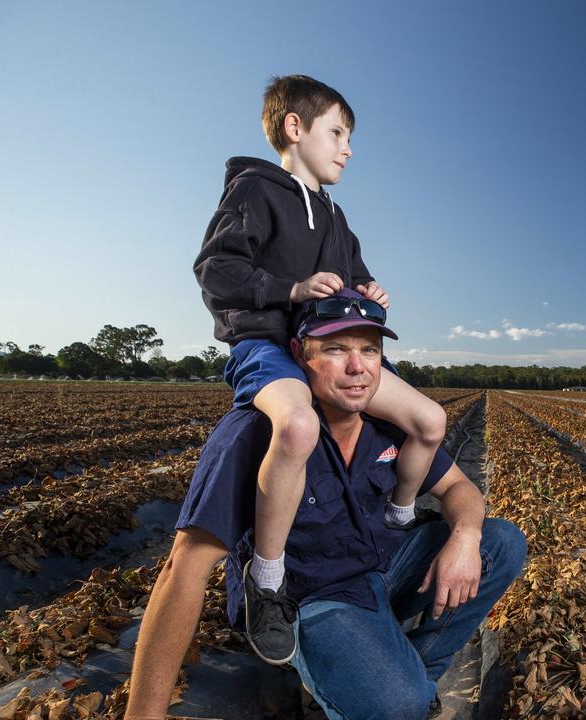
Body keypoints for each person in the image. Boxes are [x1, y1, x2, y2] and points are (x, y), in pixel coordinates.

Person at [125, 291, 527, 720]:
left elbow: (459, 488)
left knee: (500, 542)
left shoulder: (389, 424)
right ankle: (393, 691)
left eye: (369, 350)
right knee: (397, 706)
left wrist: (465, 536)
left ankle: (413, 676)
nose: (358, 368)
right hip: (313, 595)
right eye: (336, 349)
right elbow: (182, 568)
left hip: (381, 567)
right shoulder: (259, 433)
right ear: (300, 355)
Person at [193, 74, 447, 665]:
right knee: (300, 429)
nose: (347, 148)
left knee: (430, 421)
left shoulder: (336, 217)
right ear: (295, 127)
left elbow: (354, 281)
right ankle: (268, 579)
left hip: (325, 350)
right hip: (268, 347)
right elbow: (214, 270)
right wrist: (290, 288)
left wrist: (371, 292)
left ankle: (398, 519)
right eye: (338, 132)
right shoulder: (254, 191)